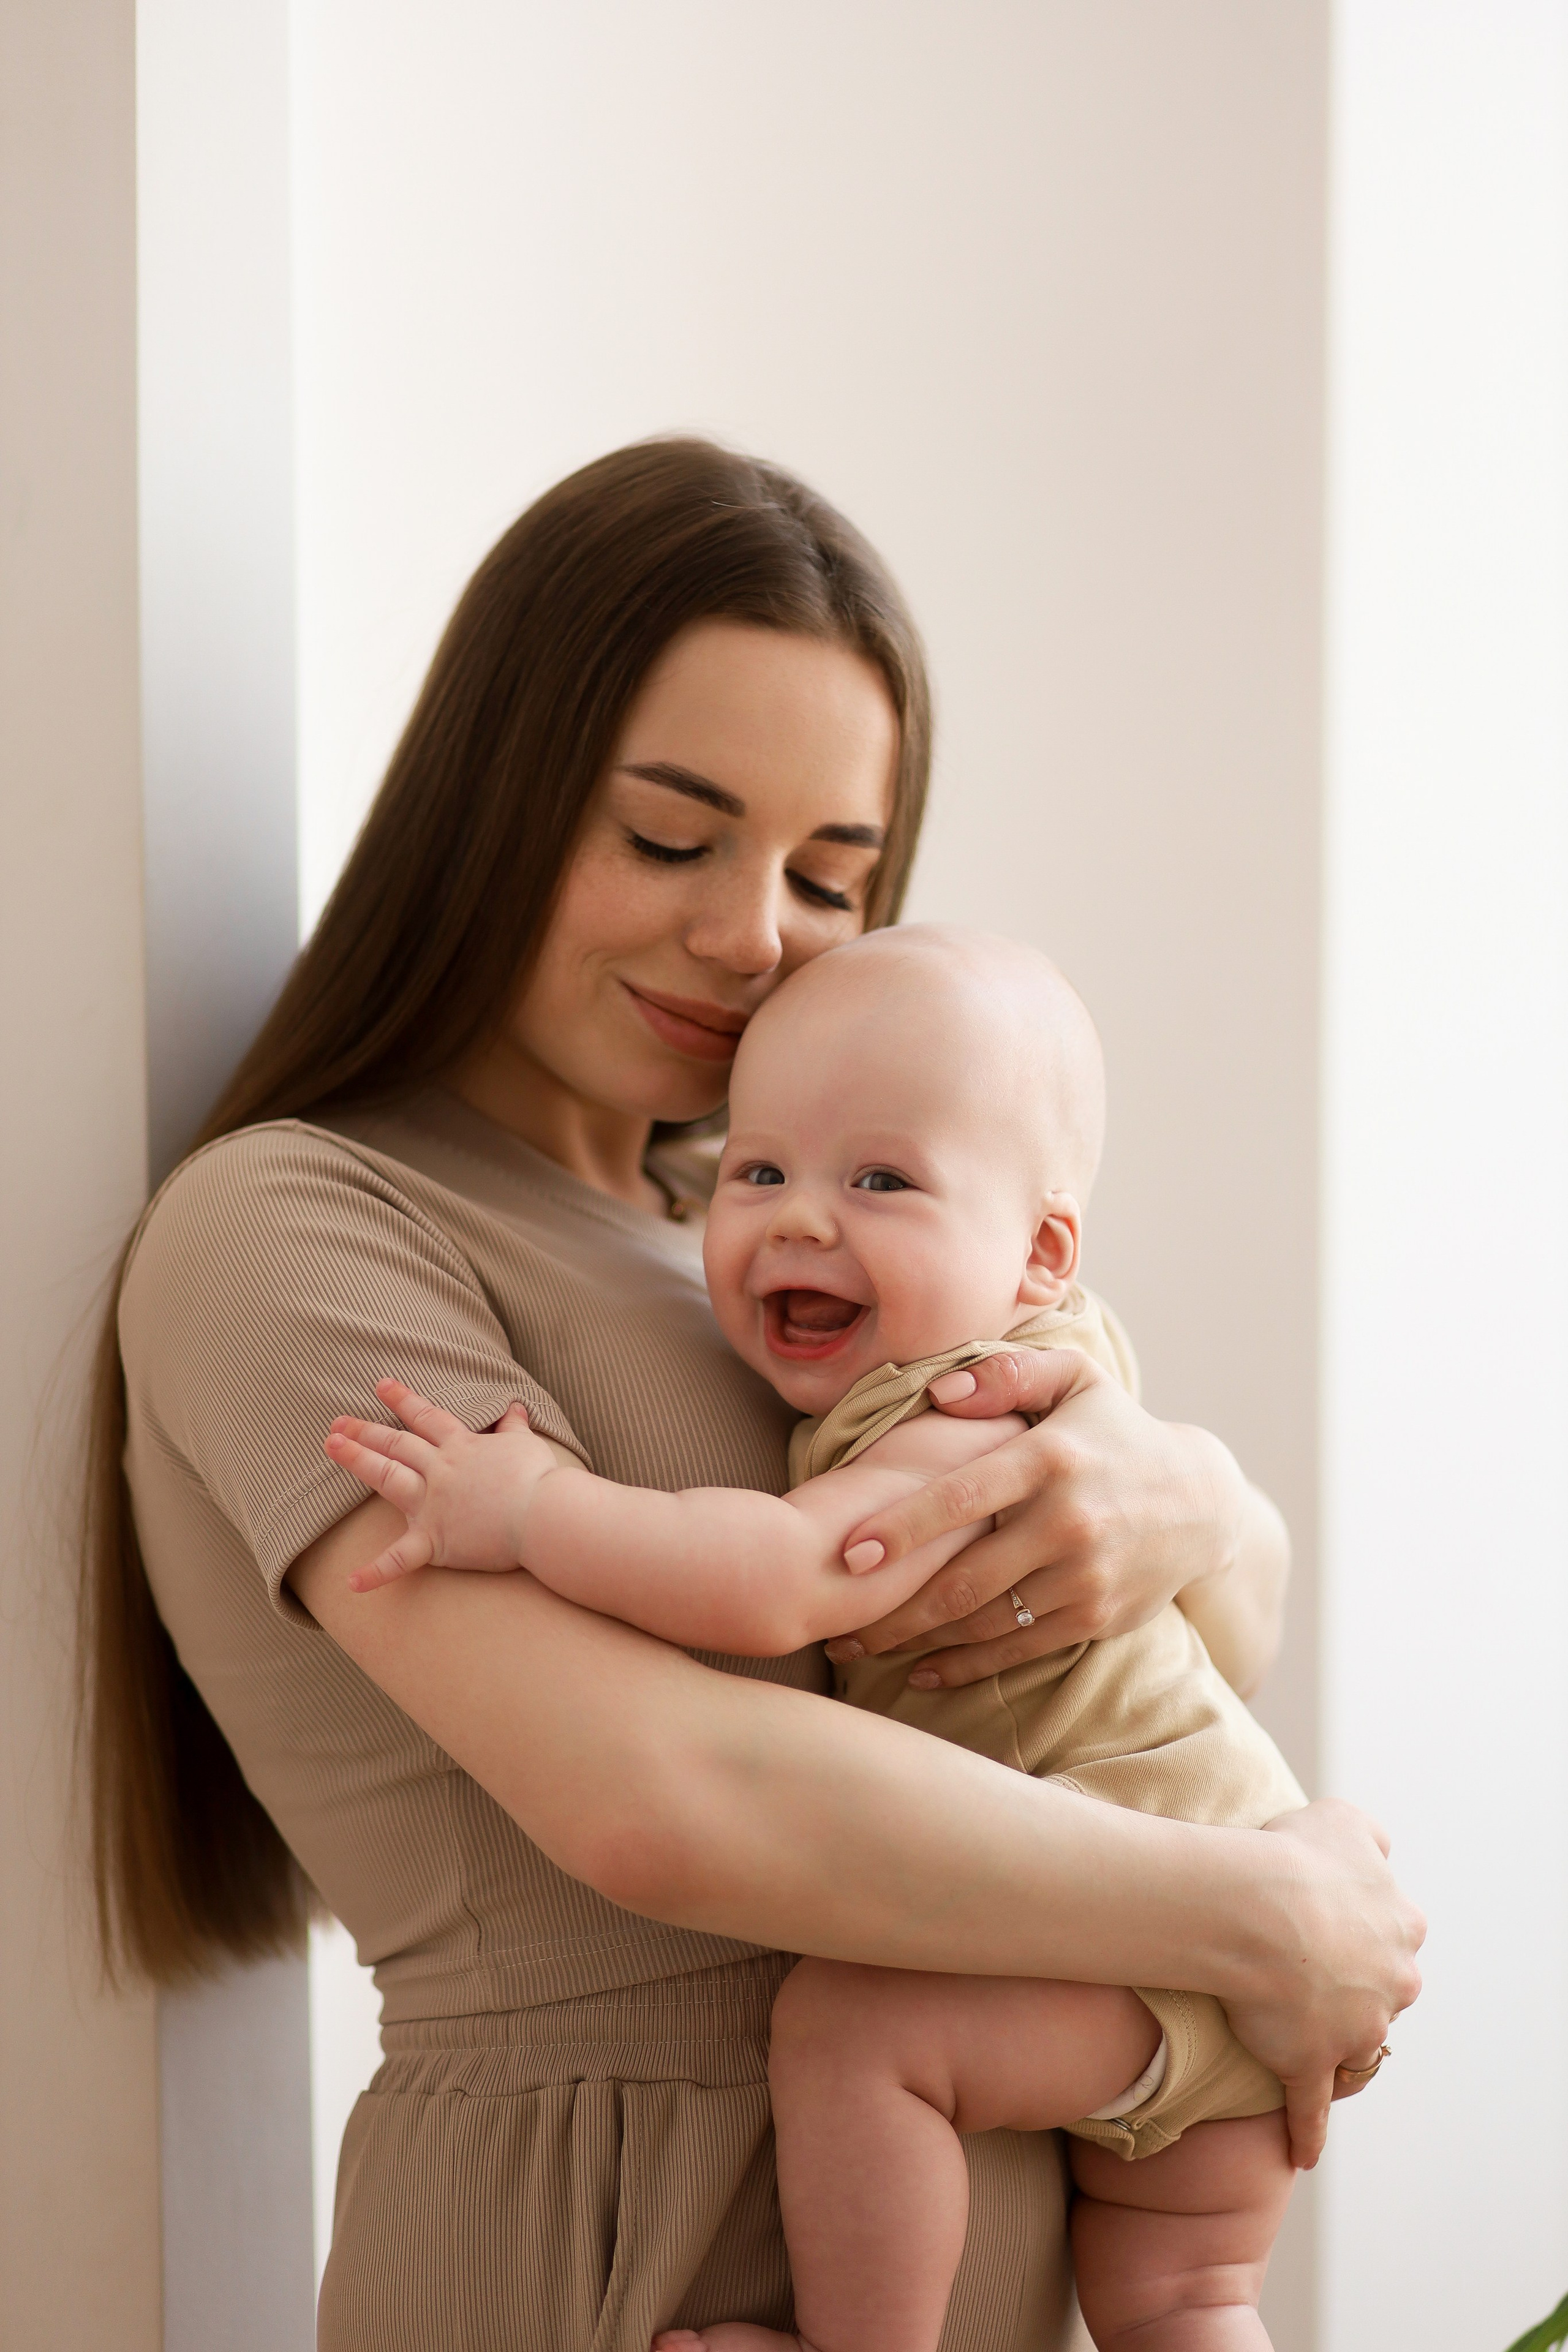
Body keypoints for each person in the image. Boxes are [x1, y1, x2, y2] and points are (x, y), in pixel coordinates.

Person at [81, 439, 1422, 2352]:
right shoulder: (294, 1226)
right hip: (615, 2244)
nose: (753, 938)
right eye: (669, 835)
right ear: (497, 798)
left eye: (827, 873)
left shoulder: (771, 1231)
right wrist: (1256, 1919)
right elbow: (663, 1792)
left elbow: (1211, 1630)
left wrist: (1195, 1494)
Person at [320, 926, 1349, 2352]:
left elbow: (777, 1580)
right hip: (1215, 1930)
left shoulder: (951, 1413)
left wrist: (538, 1507)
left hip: (1155, 1937)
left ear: (1037, 1251)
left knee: (850, 2033)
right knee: (1186, 2299)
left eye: (879, 1180)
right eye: (758, 1172)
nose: (801, 1220)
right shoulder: (1079, 1366)